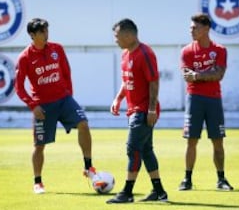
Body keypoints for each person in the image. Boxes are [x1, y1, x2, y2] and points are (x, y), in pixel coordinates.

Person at [14, 18, 96, 194]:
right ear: (32, 35)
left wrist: (70, 98)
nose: (46, 34)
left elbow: (66, 73)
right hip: (42, 107)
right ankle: (38, 182)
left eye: (46, 31)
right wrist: (32, 105)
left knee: (83, 123)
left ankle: (89, 167)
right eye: (42, 32)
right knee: (39, 146)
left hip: (64, 100)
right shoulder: (24, 58)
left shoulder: (57, 49)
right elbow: (19, 87)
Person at [106, 18, 168, 204]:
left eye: (117, 36)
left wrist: (151, 109)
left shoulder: (145, 53)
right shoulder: (126, 54)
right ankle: (159, 192)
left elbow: (154, 81)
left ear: (129, 35)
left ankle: (127, 192)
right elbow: (127, 81)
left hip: (143, 111)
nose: (115, 40)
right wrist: (118, 98)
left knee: (133, 150)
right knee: (146, 151)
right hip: (134, 110)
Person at [179, 13, 233, 191]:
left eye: (195, 28)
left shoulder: (219, 50)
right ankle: (187, 179)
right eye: (190, 27)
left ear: (207, 28)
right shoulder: (186, 51)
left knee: (218, 141)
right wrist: (204, 75)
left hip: (214, 100)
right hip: (194, 99)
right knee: (191, 141)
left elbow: (219, 74)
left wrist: (198, 75)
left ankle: (221, 179)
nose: (191, 31)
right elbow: (188, 77)